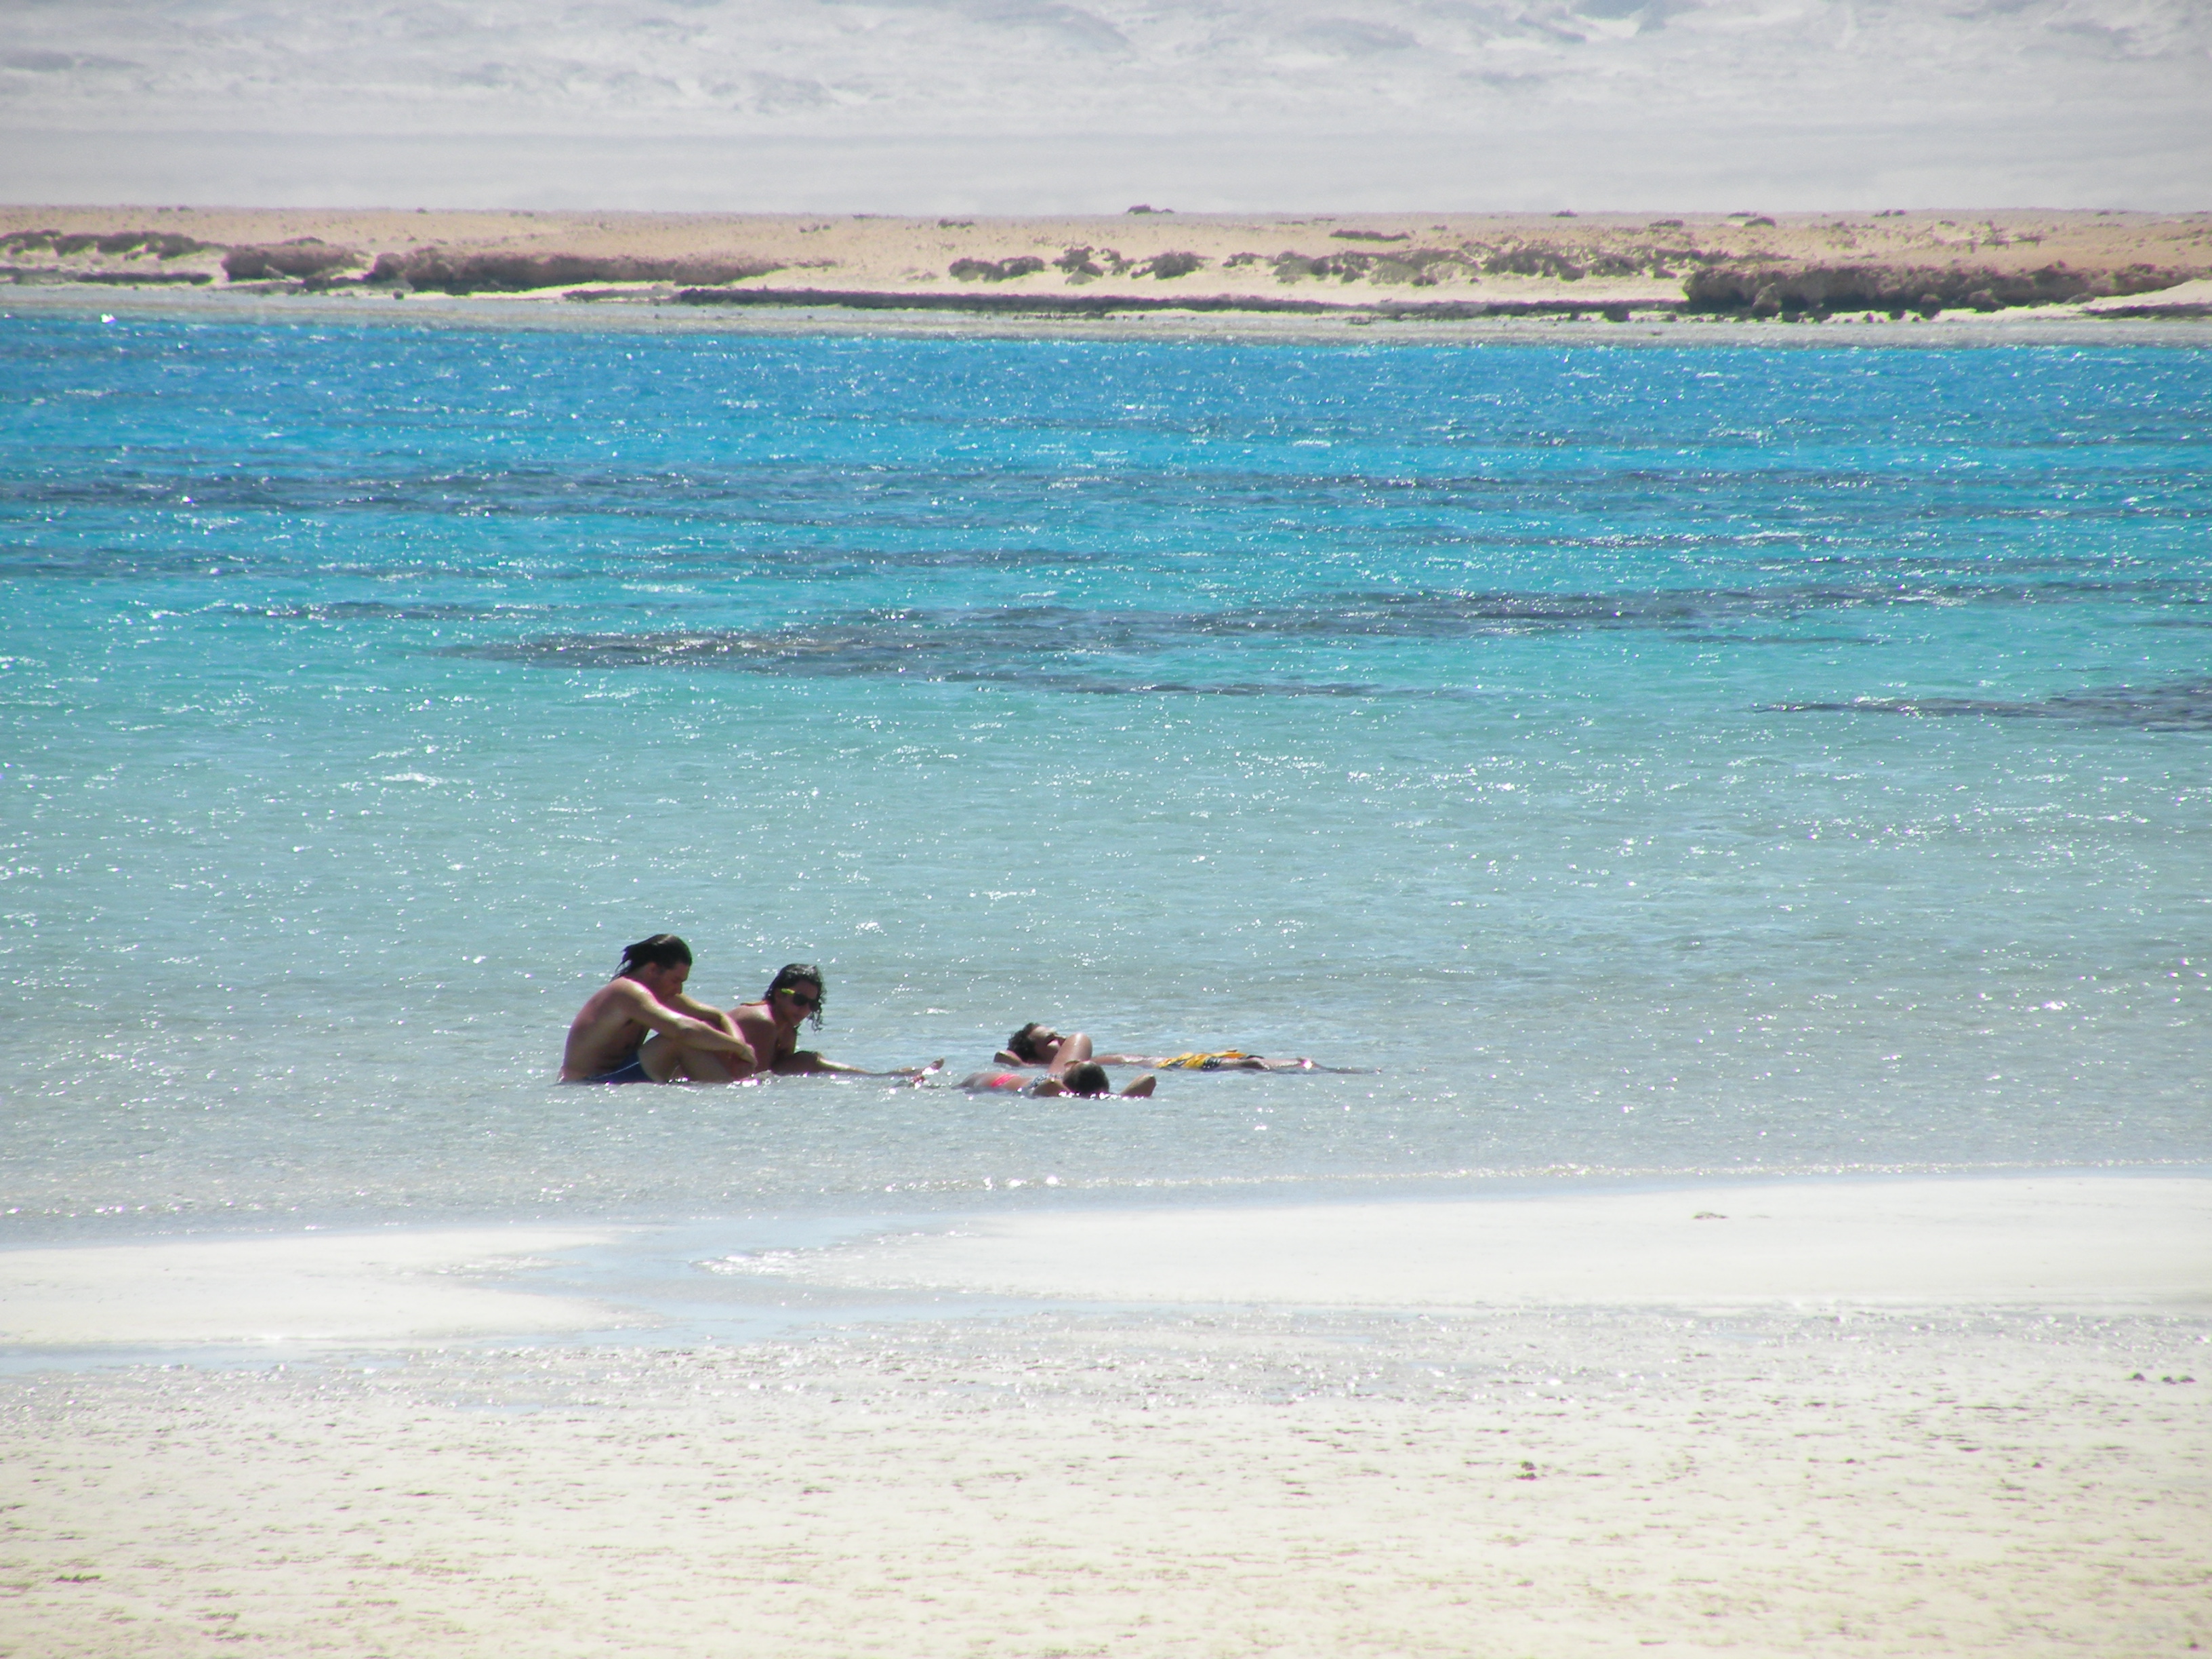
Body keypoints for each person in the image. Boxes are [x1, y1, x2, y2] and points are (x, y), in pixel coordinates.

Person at [561, 935, 758, 1084]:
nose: (679, 990)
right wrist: (740, 1048)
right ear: (653, 970)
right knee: (679, 1039)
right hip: (588, 1085)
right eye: (675, 980)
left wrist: (740, 1051)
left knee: (706, 1029)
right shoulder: (627, 992)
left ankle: (730, 1085)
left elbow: (717, 1016)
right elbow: (684, 1031)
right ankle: (730, 1096)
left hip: (617, 1076)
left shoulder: (656, 993)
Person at [727, 964, 876, 1076]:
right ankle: (872, 1078)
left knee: (809, 1060)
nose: (805, 1009)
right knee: (808, 1062)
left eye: (812, 1004)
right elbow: (758, 1076)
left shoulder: (786, 1029)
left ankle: (870, 1077)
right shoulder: (763, 1022)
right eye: (799, 1000)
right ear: (779, 995)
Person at [998, 1022, 1317, 1072]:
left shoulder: (1085, 1062)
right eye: (1050, 1040)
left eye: (1060, 1034)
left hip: (1186, 1060)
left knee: (1299, 1063)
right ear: (1034, 1056)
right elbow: (1007, 1058)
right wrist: (1018, 1062)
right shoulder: (1054, 1071)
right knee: (1255, 1065)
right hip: (1180, 1065)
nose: (1063, 1041)